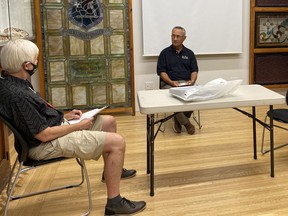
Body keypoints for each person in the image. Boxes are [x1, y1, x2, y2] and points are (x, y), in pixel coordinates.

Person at [0, 39, 146, 215]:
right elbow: (43, 135)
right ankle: (114, 203)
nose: (37, 62)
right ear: (27, 65)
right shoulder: (18, 96)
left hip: (50, 131)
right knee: (117, 142)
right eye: (36, 60)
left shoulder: (15, 81)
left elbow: (39, 115)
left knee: (108, 121)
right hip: (43, 145)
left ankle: (110, 172)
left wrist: (65, 116)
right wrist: (77, 127)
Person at [157, 26, 199, 135]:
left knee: (193, 95)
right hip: (169, 84)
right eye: (173, 36)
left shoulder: (189, 53)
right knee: (175, 98)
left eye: (178, 36)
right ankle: (186, 124)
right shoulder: (164, 53)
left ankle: (178, 119)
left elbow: (194, 70)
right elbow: (162, 72)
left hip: (186, 83)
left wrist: (192, 81)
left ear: (184, 38)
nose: (175, 38)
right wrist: (171, 82)